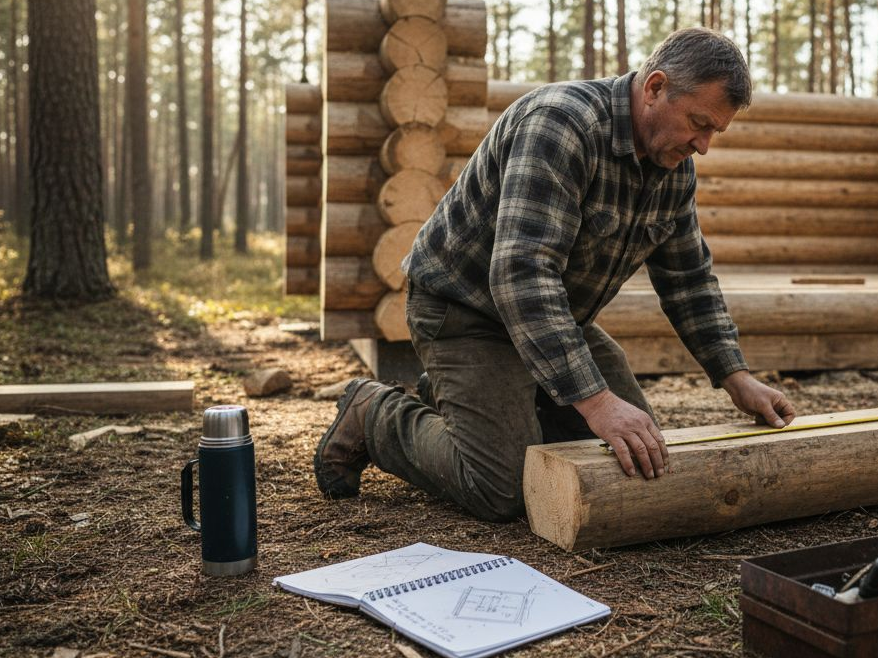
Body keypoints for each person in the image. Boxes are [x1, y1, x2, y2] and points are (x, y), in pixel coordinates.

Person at [313, 27, 796, 522]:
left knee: (634, 458)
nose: (705, 145)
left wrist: (735, 378)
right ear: (654, 87)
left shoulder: (673, 164)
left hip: (556, 320)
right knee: (501, 487)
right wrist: (597, 401)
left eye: (716, 131)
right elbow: (522, 274)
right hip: (465, 314)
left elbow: (688, 279)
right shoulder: (560, 124)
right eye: (699, 123)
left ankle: (467, 401)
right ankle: (374, 413)